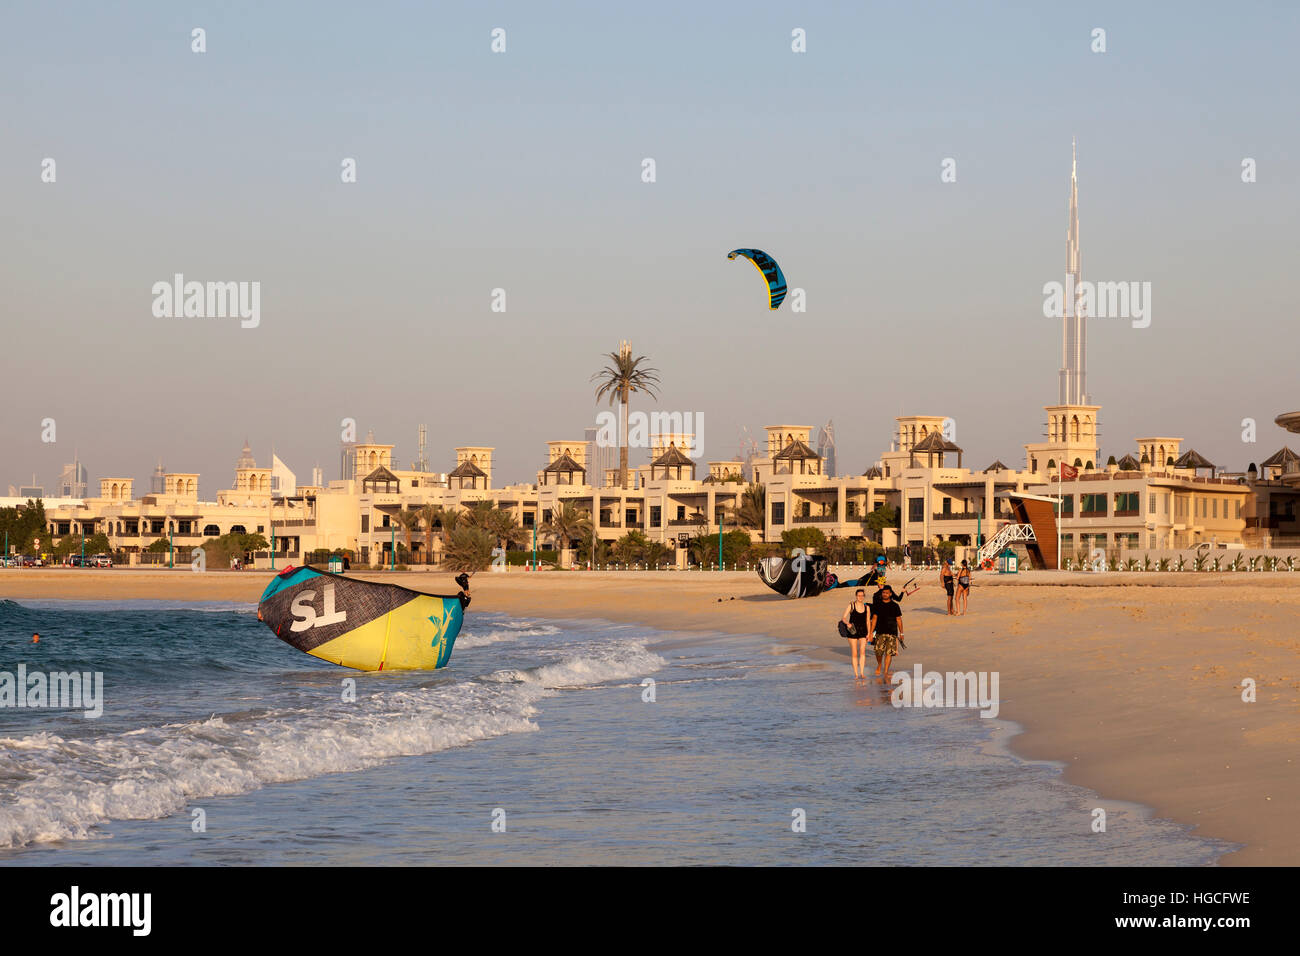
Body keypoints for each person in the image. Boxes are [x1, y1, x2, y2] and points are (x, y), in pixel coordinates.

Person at [869, 585, 905, 681]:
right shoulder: (878, 604)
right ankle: (880, 664)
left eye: (886, 593)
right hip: (880, 632)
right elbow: (874, 619)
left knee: (889, 653)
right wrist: (870, 633)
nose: (885, 594)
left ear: (890, 594)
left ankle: (885, 671)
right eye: (883, 593)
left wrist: (901, 633)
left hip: (892, 632)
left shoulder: (895, 606)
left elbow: (899, 619)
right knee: (878, 652)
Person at [840, 588, 871, 681]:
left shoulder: (867, 607)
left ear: (864, 596)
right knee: (854, 653)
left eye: (862, 595)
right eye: (859, 595)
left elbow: (868, 621)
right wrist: (847, 623)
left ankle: (862, 673)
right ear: (856, 596)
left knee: (862, 652)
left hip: (863, 631)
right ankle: (856, 674)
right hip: (852, 631)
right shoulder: (851, 605)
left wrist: (869, 633)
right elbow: (844, 618)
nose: (860, 597)